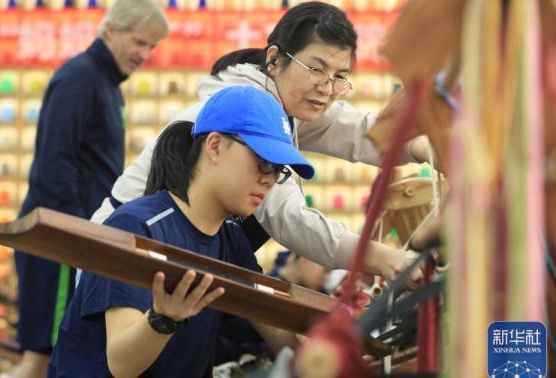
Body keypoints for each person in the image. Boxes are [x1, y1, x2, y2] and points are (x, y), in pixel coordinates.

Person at [91, 1, 431, 283]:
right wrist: (382, 258)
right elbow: (290, 219)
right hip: (129, 252)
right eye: (316, 69)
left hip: (175, 262)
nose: (327, 88)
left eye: (340, 77)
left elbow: (358, 131)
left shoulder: (285, 102)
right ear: (274, 58)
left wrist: (419, 147)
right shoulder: (250, 109)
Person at [46, 85, 314, 378]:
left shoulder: (230, 240)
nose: (269, 179)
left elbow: (269, 322)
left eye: (279, 170)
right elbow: (121, 365)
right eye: (263, 161)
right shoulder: (137, 226)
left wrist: (328, 355)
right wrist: (163, 318)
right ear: (214, 146)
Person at [11, 1, 168, 378]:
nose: (144, 55)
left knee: (49, 351)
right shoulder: (81, 78)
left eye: (151, 47)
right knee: (42, 351)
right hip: (61, 238)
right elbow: (54, 165)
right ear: (111, 30)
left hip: (72, 234)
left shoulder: (104, 83)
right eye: (139, 42)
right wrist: (79, 232)